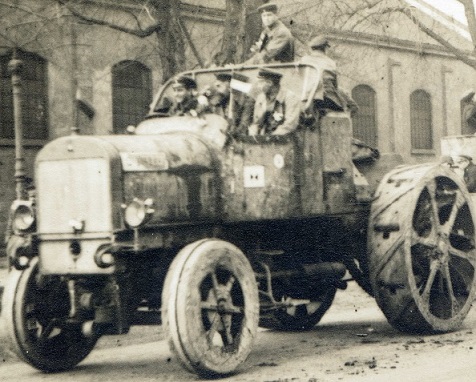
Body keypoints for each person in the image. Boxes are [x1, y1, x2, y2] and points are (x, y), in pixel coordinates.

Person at [248, 68, 300, 135]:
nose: (258, 85)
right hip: (267, 139)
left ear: (270, 83)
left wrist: (271, 138)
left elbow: (290, 125)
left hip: (286, 139)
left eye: (260, 82)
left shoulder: (290, 97)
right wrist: (253, 136)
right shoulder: (261, 98)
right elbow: (257, 122)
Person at [300, 35, 345, 112]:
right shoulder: (331, 62)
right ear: (325, 49)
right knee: (341, 107)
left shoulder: (304, 59)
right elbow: (335, 85)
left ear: (312, 49)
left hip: (304, 95)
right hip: (325, 97)